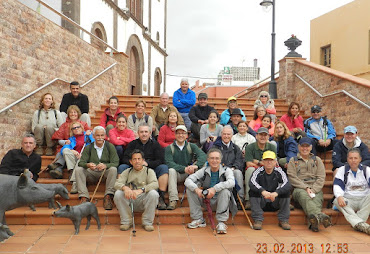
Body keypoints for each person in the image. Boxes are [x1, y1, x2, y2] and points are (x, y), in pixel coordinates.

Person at [185, 148, 237, 234]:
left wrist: (214, 188)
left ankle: (221, 222)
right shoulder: (204, 170)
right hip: (206, 201)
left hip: (221, 202)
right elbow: (188, 180)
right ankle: (198, 219)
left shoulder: (226, 170)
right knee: (190, 189)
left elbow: (232, 182)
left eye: (217, 158)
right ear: (208, 160)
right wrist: (197, 190)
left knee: (225, 191)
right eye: (212, 158)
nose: (214, 161)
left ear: (220, 160)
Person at [119, 124, 169, 210]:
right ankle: (122, 193)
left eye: (146, 132)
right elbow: (125, 158)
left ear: (150, 133)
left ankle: (161, 196)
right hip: (134, 168)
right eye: (141, 132)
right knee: (121, 167)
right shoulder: (132, 144)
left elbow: (160, 160)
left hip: (151, 168)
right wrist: (135, 163)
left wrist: (148, 163)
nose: (144, 134)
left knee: (164, 168)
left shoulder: (155, 144)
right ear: (138, 133)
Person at [287, 137, 331, 232]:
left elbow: (321, 177)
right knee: (305, 196)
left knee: (316, 199)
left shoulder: (317, 160)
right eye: (302, 146)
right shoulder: (293, 160)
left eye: (307, 146)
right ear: (298, 147)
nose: (305, 148)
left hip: (315, 187)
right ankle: (320, 216)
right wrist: (305, 187)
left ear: (311, 147)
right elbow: (292, 177)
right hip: (299, 189)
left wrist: (314, 189)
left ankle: (313, 223)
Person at [114, 149, 159, 232]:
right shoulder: (127, 172)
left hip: (143, 199)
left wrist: (141, 190)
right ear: (131, 161)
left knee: (153, 193)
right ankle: (126, 221)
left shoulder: (149, 171)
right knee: (118, 193)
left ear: (143, 160)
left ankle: (147, 222)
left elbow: (155, 184)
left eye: (139, 159)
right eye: (134, 159)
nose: (137, 161)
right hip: (130, 199)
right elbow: (117, 184)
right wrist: (125, 188)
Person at [74, 126, 118, 210]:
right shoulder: (88, 147)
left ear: (105, 136)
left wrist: (106, 165)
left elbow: (115, 162)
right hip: (92, 172)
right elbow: (81, 162)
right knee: (79, 170)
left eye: (102, 135)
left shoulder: (110, 146)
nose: (100, 138)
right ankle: (84, 197)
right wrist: (88, 165)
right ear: (93, 136)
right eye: (98, 135)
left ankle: (108, 196)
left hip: (104, 173)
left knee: (113, 169)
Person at [165, 125, 207, 210]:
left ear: (186, 135)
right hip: (178, 174)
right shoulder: (169, 148)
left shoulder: (191, 146)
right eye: (178, 133)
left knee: (204, 165)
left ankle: (203, 193)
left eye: (183, 133)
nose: (181, 135)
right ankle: (173, 200)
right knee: (171, 170)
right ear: (175, 135)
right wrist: (184, 169)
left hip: (191, 174)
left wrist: (195, 165)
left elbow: (203, 156)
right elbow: (169, 163)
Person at [249, 151, 291, 230]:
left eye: (271, 160)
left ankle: (284, 220)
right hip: (262, 201)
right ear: (263, 161)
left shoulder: (280, 171)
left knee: (286, 192)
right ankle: (258, 219)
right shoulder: (257, 171)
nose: (269, 162)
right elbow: (252, 182)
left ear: (275, 162)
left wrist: (276, 193)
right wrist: (263, 191)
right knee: (252, 191)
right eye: (266, 160)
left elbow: (287, 184)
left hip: (275, 201)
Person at [333, 148, 370, 235]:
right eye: (351, 158)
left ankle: (358, 223)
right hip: (349, 200)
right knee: (336, 201)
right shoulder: (342, 170)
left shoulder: (367, 170)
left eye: (355, 158)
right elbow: (337, 186)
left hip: (364, 200)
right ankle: (362, 225)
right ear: (347, 159)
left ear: (360, 159)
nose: (353, 161)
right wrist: (339, 196)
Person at [244, 127, 277, 209]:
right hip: (255, 169)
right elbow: (248, 163)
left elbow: (274, 162)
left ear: (268, 137)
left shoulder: (272, 147)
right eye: (260, 135)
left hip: (268, 168)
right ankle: (248, 199)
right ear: (256, 136)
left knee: (278, 170)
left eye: (265, 135)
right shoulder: (250, 147)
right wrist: (260, 163)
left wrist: (256, 161)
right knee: (250, 170)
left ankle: (277, 198)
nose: (263, 137)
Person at [211, 126, 245, 206]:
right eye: (224, 134)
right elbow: (213, 160)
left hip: (233, 169)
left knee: (238, 173)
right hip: (219, 170)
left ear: (232, 135)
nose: (226, 136)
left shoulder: (235, 148)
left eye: (228, 134)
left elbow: (239, 160)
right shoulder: (215, 147)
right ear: (221, 135)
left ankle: (240, 200)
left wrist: (234, 167)